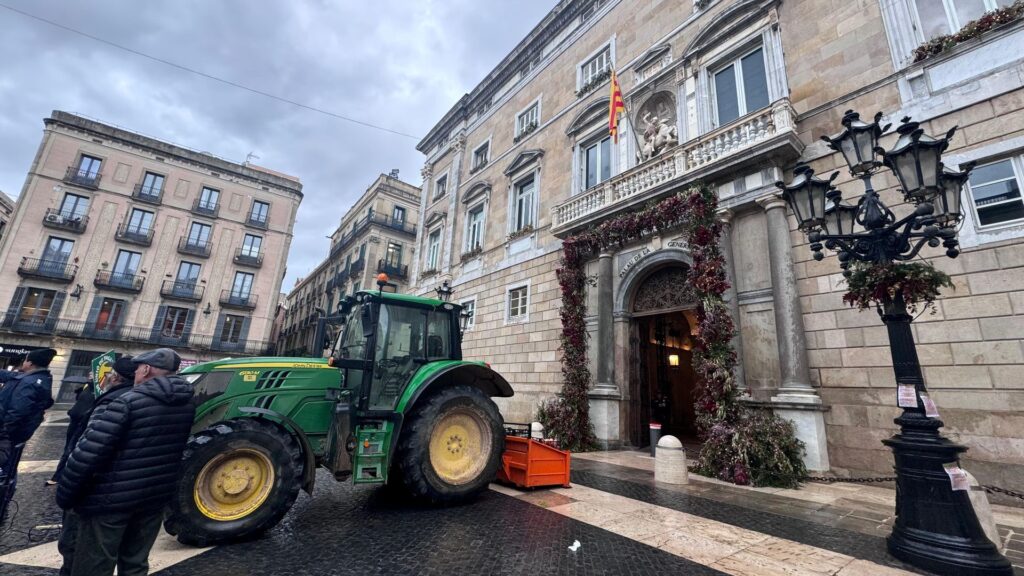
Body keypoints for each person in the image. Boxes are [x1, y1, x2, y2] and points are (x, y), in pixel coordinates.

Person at [56, 348, 195, 576]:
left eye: (139, 367)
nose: (137, 371)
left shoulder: (127, 402)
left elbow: (89, 453)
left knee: (95, 563)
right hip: (153, 498)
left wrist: (66, 495)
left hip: (111, 499)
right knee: (135, 563)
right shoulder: (186, 404)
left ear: (146, 369)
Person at [55, 356, 136, 576]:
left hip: (98, 487)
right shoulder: (125, 398)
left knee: (82, 548)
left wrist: (67, 489)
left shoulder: (117, 402)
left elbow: (90, 448)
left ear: (115, 377)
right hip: (119, 489)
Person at [48, 357, 135, 487]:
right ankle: (58, 476)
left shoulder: (111, 398)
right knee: (67, 450)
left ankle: (61, 478)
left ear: (115, 378)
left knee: (69, 452)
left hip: (86, 454)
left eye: (110, 374)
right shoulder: (111, 393)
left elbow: (94, 442)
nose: (107, 376)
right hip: (77, 424)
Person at [0, 348, 57, 469]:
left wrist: (3, 432)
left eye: (25, 360)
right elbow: (10, 375)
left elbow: (16, 412)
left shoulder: (28, 383)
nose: (23, 362)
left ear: (30, 363)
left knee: (6, 464)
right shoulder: (40, 378)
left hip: (9, 435)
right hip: (18, 433)